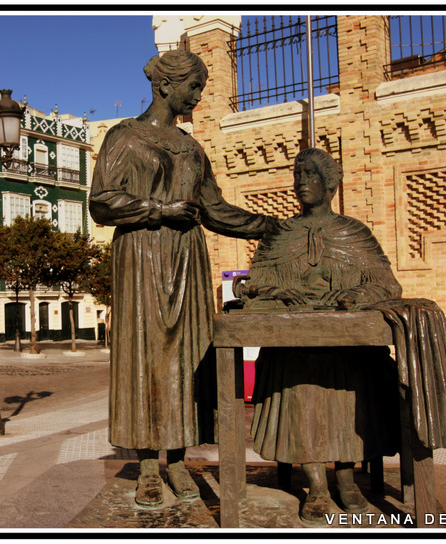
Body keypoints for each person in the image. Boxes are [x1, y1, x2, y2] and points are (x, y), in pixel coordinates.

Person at [89, 50, 279, 508]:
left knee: (186, 357)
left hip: (187, 259)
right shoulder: (124, 137)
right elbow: (101, 203)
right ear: (165, 86)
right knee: (145, 356)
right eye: (193, 86)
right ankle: (148, 465)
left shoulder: (193, 149)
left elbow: (214, 209)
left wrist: (267, 224)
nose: (198, 95)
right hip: (141, 257)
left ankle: (178, 458)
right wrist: (159, 210)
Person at [240, 148, 402, 524]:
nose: (301, 182)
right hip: (293, 348)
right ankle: (316, 486)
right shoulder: (280, 234)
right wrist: (275, 291)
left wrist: (356, 295)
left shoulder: (354, 234)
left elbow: (387, 284)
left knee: (351, 383)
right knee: (303, 386)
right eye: (297, 174)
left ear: (330, 183)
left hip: (345, 346)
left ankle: (346, 479)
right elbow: (249, 286)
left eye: (310, 174)